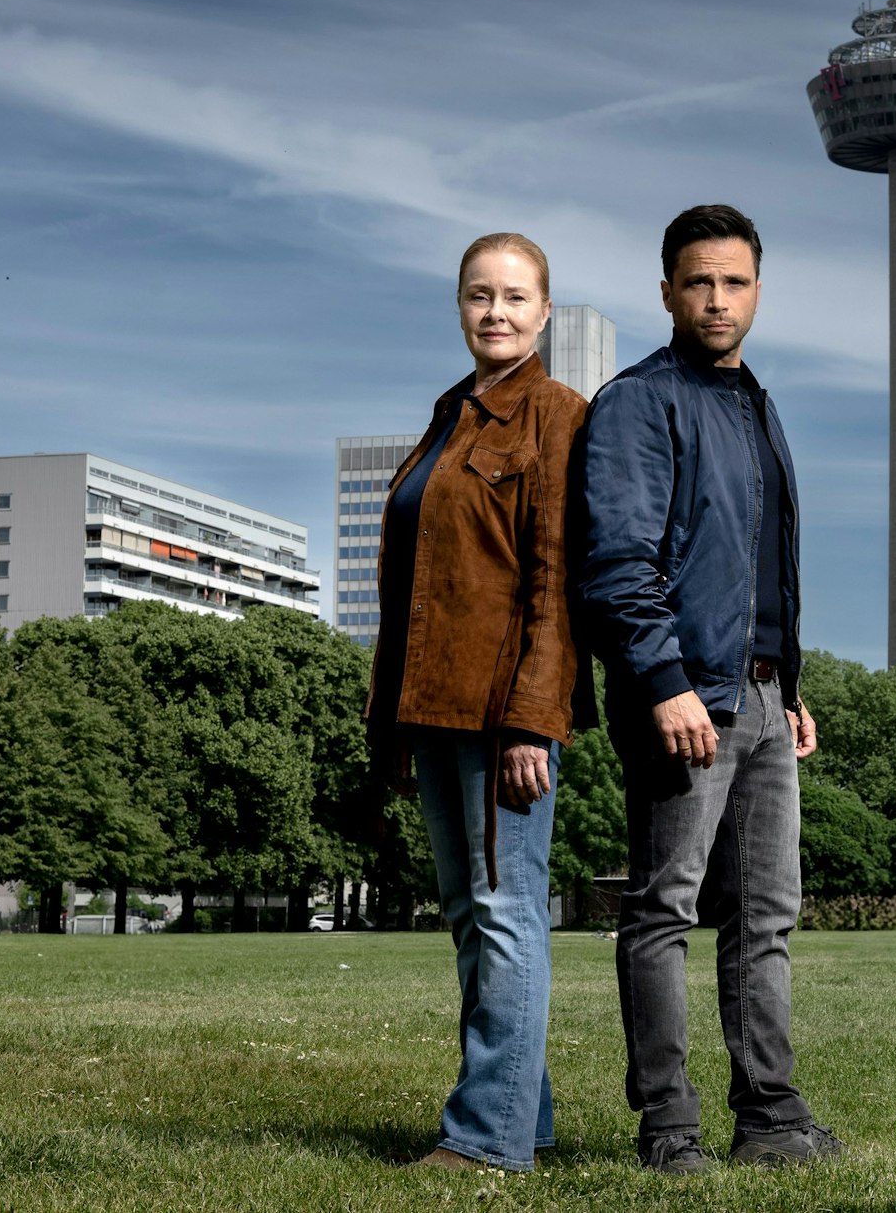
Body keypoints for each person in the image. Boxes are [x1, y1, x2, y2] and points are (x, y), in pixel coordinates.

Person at [579, 204, 842, 1173]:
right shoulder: (638, 403)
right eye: (698, 282)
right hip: (684, 700)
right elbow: (617, 561)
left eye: (733, 283)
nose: (716, 299)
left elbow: (756, 565)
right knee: (664, 913)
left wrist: (790, 685)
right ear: (666, 293)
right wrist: (664, 681)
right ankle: (668, 1131)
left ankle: (770, 1120)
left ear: (758, 292)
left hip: (764, 699)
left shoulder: (755, 404)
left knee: (765, 917)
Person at [364, 232, 593, 1174]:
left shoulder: (556, 415)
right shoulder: (449, 417)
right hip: (436, 708)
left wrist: (536, 718)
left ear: (544, 312)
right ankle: (517, 1119)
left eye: (512, 298)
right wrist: (396, 714)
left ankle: (487, 1141)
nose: (493, 313)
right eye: (476, 296)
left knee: (506, 912)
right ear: (459, 308)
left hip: (505, 717)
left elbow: (556, 584)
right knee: (475, 914)